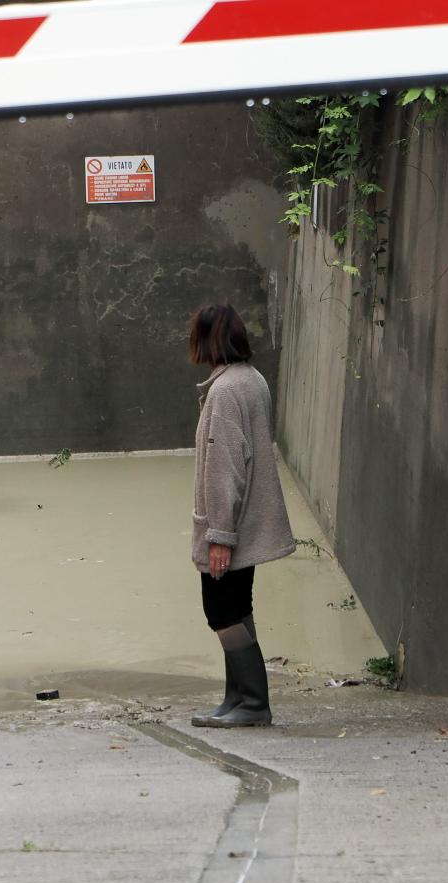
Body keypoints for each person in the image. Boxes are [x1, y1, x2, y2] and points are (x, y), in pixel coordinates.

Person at [187, 303, 296, 728]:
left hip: (231, 523)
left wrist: (220, 534)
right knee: (237, 606)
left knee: (221, 611)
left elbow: (225, 466)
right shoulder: (253, 380)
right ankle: (236, 698)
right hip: (247, 519)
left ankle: (252, 702)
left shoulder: (226, 390)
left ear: (208, 339)